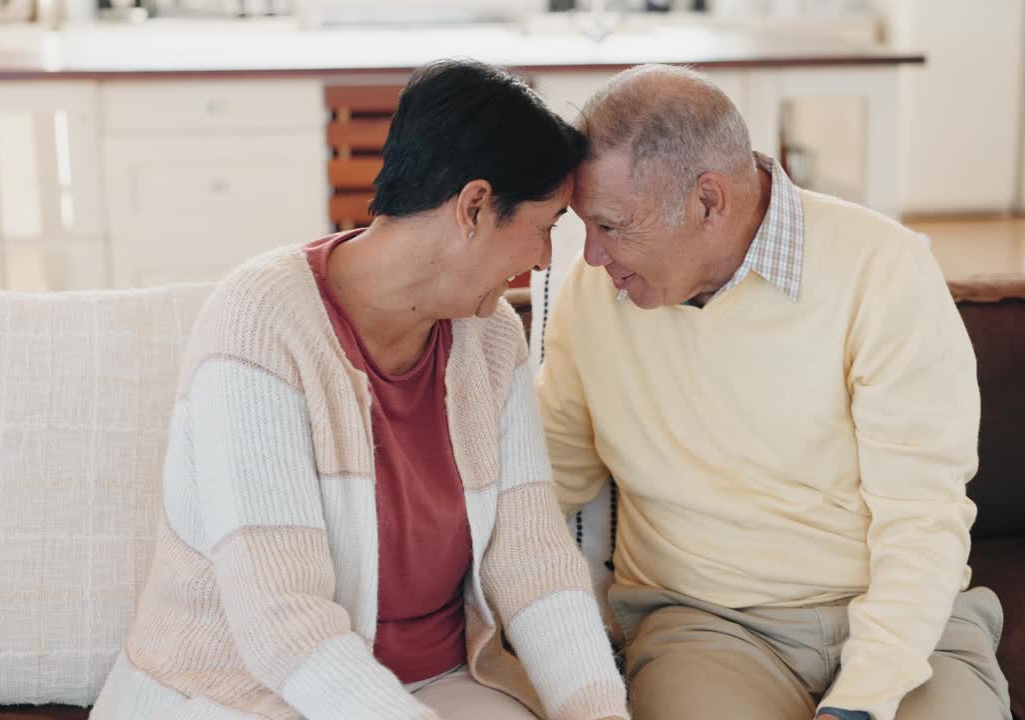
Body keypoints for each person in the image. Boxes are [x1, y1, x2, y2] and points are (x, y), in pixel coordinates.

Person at [92, 60, 628, 720]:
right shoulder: (262, 325)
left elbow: (532, 561)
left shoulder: (489, 338)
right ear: (474, 206)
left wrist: (600, 713)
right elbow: (285, 625)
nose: (546, 258)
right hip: (245, 694)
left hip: (438, 686)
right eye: (545, 225)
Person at [537, 64, 1010, 720]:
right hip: (707, 627)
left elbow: (922, 517)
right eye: (584, 224)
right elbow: (538, 481)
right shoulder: (594, 297)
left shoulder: (883, 268)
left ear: (708, 202)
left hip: (909, 625)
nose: (590, 255)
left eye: (612, 226)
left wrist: (866, 699)